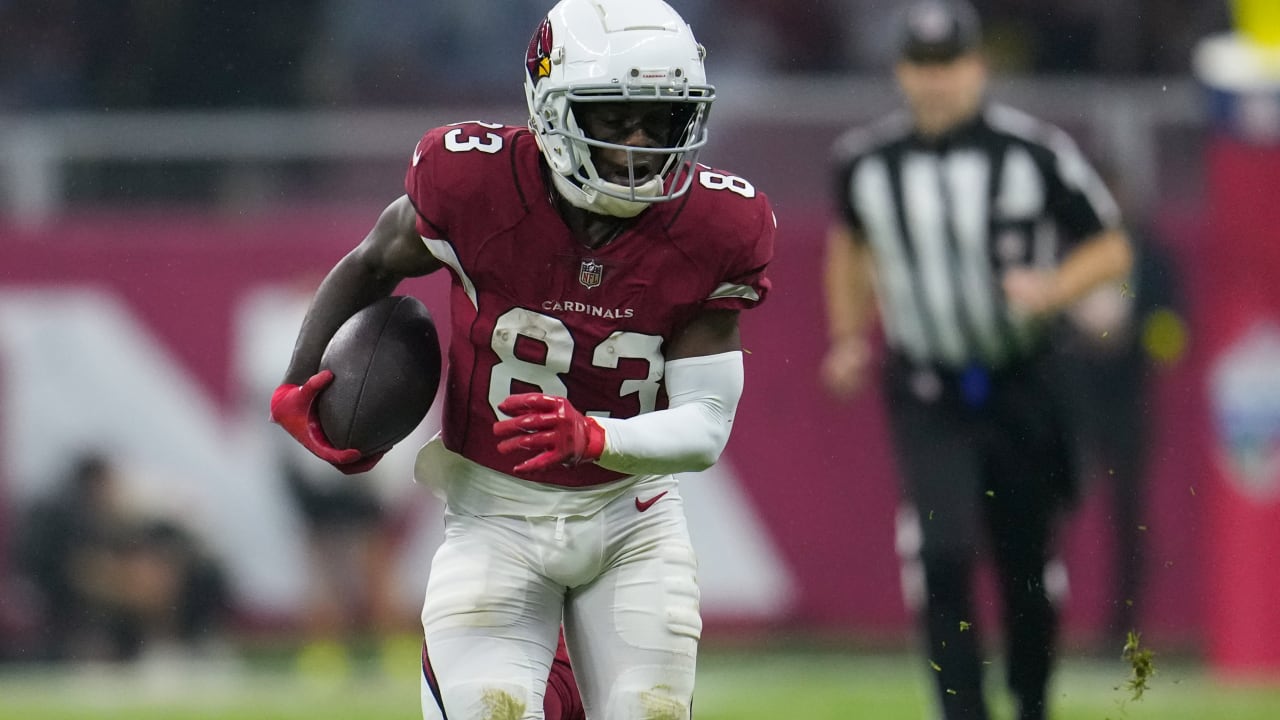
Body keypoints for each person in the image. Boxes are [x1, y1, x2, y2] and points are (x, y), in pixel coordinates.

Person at [269, 1, 775, 718]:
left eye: (659, 120)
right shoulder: (473, 182)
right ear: (552, 106)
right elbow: (375, 258)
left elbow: (706, 423)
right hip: (494, 516)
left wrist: (598, 436)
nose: (637, 146)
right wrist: (298, 381)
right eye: (611, 118)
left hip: (630, 516)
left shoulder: (719, 225)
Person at [820, 2, 1132, 719]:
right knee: (943, 552)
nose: (937, 82)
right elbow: (850, 249)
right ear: (902, 72)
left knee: (1026, 565)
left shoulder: (1034, 151)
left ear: (978, 67)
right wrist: (846, 337)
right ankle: (960, 709)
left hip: (1023, 381)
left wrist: (1054, 288)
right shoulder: (867, 163)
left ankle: (1029, 700)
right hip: (928, 390)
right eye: (923, 66)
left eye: (950, 64)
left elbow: (1109, 245)